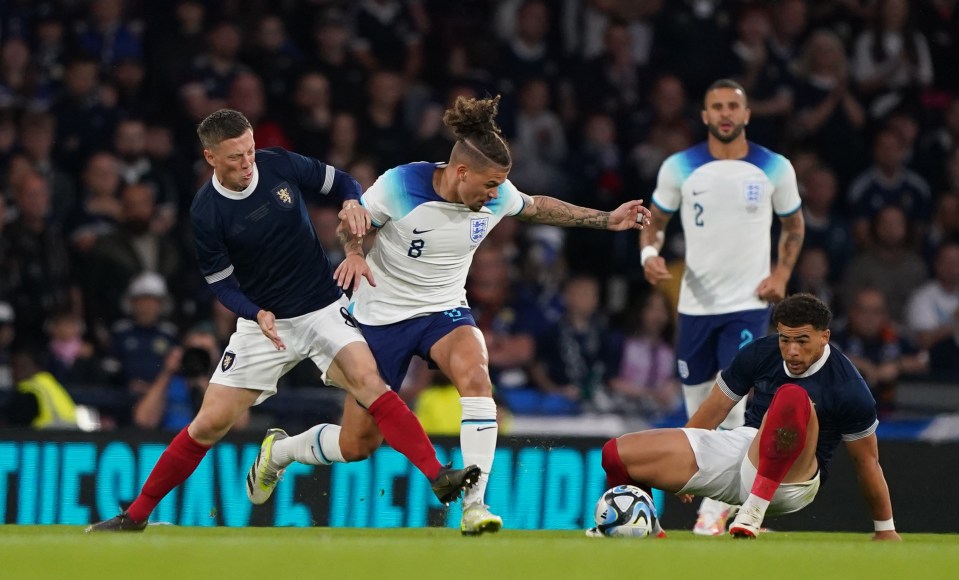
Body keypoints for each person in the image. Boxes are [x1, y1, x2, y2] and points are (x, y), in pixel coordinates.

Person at [256, 95, 650, 536]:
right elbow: (354, 221)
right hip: (379, 317)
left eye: (501, 184)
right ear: (460, 172)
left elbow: (537, 205)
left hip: (443, 309)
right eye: (489, 184)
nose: (497, 193)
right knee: (357, 444)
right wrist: (354, 254)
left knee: (476, 375)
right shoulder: (400, 185)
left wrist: (606, 219)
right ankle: (283, 451)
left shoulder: (496, 195)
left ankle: (474, 504)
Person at [86, 109, 479, 532]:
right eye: (235, 156)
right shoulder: (206, 212)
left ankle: (438, 475)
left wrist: (350, 201)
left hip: (324, 308)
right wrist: (255, 312)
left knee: (370, 383)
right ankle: (135, 516)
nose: (247, 162)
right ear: (210, 157)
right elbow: (221, 284)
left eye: (250, 150)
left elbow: (343, 182)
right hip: (265, 324)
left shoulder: (278, 163)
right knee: (209, 422)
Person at [594, 294, 900, 541]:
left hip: (794, 480)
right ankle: (646, 532)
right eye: (784, 339)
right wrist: (687, 447)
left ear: (824, 337)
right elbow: (715, 409)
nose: (791, 351)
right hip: (746, 449)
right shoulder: (760, 352)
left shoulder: (848, 385)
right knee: (616, 454)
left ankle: (752, 512)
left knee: (791, 397)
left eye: (802, 341)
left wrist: (885, 528)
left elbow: (867, 462)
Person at [639, 79, 805, 536]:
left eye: (734, 106)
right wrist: (648, 255)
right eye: (717, 106)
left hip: (746, 304)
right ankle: (716, 510)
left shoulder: (774, 167)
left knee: (732, 406)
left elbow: (794, 226)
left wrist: (782, 275)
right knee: (698, 406)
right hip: (694, 306)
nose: (726, 113)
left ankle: (712, 515)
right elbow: (654, 221)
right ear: (705, 115)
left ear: (747, 114)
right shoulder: (680, 166)